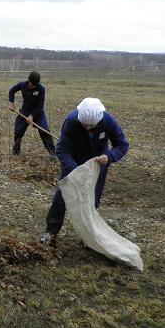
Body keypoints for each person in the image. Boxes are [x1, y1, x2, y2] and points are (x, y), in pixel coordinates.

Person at [40, 97, 129, 245]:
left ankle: (89, 237)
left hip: (97, 164)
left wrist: (109, 156)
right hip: (73, 163)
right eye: (84, 125)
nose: (87, 128)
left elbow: (122, 145)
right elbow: (62, 149)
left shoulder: (108, 121)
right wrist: (76, 171)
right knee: (61, 197)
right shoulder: (71, 120)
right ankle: (50, 231)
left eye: (91, 126)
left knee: (92, 200)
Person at [8, 71, 56, 158]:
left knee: (45, 131)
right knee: (18, 130)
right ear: (28, 80)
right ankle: (16, 150)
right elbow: (12, 91)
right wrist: (11, 102)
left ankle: (53, 153)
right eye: (31, 84)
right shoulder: (22, 85)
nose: (32, 86)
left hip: (38, 112)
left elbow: (40, 106)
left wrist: (32, 116)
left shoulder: (41, 89)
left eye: (34, 85)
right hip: (25, 111)